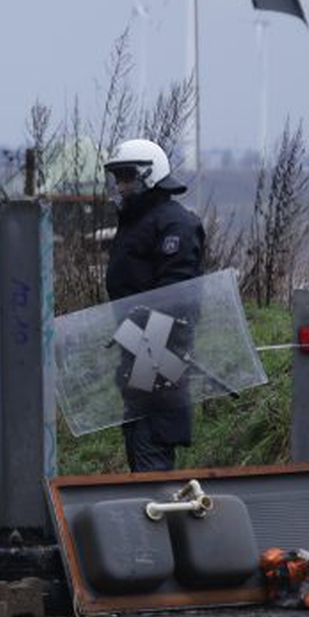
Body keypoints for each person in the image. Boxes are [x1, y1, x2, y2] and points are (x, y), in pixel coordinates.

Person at [104, 137, 205, 473]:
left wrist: (148, 325)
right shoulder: (136, 221)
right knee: (136, 431)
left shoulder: (174, 223)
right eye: (117, 178)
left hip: (161, 347)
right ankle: (150, 499)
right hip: (135, 345)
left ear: (150, 175)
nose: (121, 186)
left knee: (152, 438)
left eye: (127, 177)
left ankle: (159, 503)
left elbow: (179, 292)